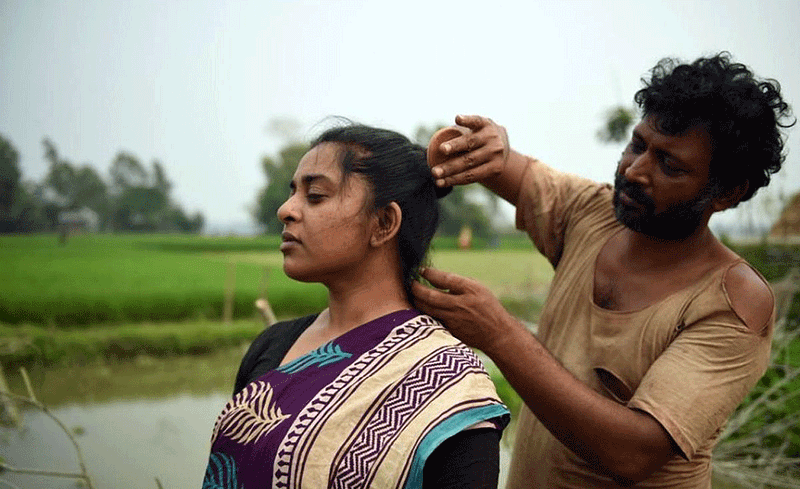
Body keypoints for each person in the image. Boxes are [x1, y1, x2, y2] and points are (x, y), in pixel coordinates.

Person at [413, 52, 794, 488]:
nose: (635, 170)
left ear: (727, 192)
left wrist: (500, 334)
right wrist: (486, 143)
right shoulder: (592, 212)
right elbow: (504, 165)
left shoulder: (732, 302)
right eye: (638, 144)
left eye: (670, 165)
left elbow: (633, 454)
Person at [203, 123, 509, 488]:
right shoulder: (271, 347)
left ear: (383, 223)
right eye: (293, 193)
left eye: (314, 195)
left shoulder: (449, 386)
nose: (286, 210)